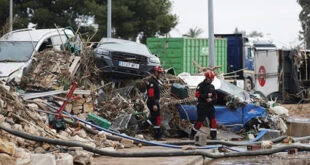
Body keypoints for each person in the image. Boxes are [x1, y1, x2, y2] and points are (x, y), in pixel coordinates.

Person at [190, 70, 217, 140]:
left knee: (213, 121)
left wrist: (211, 99)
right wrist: (206, 96)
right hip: (202, 106)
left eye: (212, 79)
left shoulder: (212, 86)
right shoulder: (200, 85)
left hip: (210, 106)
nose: (211, 80)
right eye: (210, 79)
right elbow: (197, 95)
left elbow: (215, 96)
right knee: (199, 122)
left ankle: (213, 136)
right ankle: (192, 134)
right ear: (207, 78)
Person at [146, 66, 165, 140]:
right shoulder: (152, 82)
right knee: (157, 118)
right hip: (153, 102)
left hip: (154, 101)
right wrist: (154, 104)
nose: (161, 75)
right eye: (160, 73)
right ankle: (157, 136)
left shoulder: (155, 81)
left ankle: (147, 126)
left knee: (154, 119)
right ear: (156, 72)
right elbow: (151, 94)